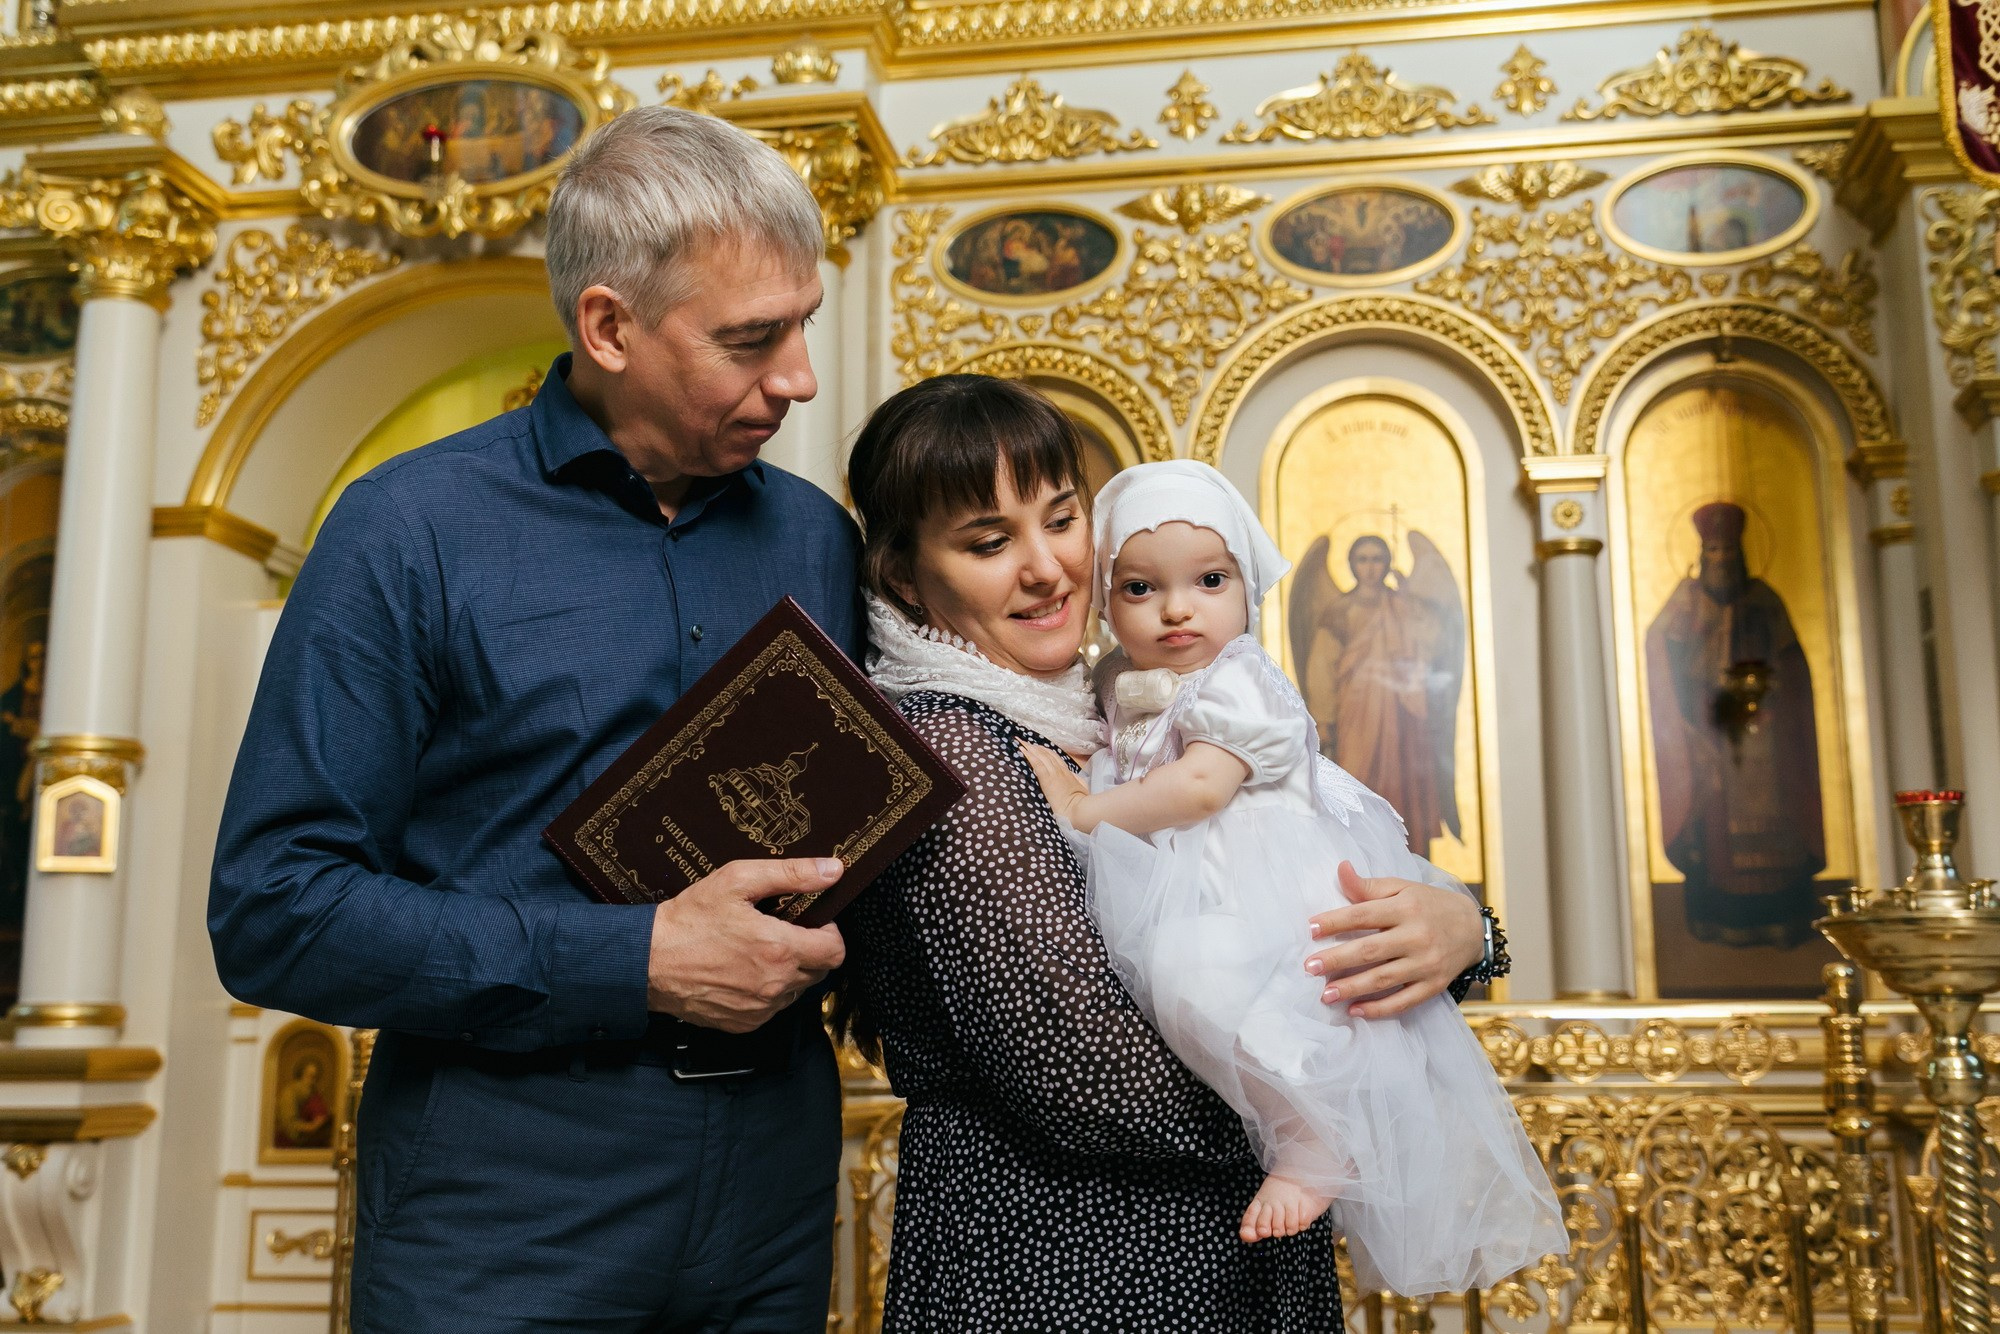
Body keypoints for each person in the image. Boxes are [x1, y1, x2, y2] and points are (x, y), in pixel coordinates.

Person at [209, 106, 859, 1332]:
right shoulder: (407, 530)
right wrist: (635, 959)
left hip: (773, 1192)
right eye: (749, 339)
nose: (798, 378)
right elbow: (273, 908)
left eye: (804, 326)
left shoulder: (817, 539)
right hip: (505, 1210)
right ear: (608, 325)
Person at [837, 375, 1502, 1332]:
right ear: (904, 576)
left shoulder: (1133, 707)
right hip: (1072, 1262)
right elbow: (1089, 1076)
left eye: (1062, 519)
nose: (1047, 568)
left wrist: (1463, 931)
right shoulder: (954, 751)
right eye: (989, 542)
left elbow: (1298, 901)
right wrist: (1336, 1108)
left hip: (1216, 1245)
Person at [1016, 460, 1565, 1294]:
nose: (1176, 608)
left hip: (1258, 880)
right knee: (1196, 986)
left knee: (1198, 979)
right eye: (1138, 588)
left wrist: (1084, 812)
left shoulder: (1241, 678)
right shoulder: (1118, 685)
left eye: (1209, 580)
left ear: (1247, 587)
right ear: (1104, 599)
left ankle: (1312, 1139)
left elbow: (1201, 786)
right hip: (1196, 888)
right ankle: (1308, 1127)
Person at [1645, 500, 1824, 947]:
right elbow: (1660, 652)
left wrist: (1774, 685)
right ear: (1703, 555)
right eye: (1714, 551)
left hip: (1766, 734)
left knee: (1775, 827)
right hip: (1710, 734)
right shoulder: (1685, 602)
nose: (1722, 560)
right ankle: (1718, 914)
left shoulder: (1764, 600)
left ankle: (1783, 919)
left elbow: (1792, 662)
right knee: (1716, 827)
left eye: (1729, 550)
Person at [1289, 532, 1464, 856]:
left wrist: (1411, 597)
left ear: (1386, 564)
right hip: (1356, 714)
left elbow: (1437, 641)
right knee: (1359, 778)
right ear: (1353, 565)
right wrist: (1324, 721)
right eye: (1363, 560)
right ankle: (1361, 857)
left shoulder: (1404, 605)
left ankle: (1411, 863)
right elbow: (1321, 668)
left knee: (1403, 786)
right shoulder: (1339, 612)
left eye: (1377, 559)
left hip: (1403, 715)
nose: (1370, 568)